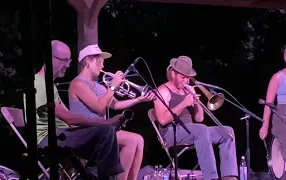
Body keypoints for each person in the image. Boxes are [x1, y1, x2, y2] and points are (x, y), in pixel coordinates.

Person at [26, 40, 124, 179]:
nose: (68, 65)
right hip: (48, 139)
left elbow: (69, 119)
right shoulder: (38, 83)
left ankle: (92, 176)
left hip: (61, 134)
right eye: (64, 60)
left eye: (69, 60)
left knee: (105, 134)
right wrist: (106, 123)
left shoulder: (49, 85)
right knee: (106, 131)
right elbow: (69, 118)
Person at [68, 44, 156, 180]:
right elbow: (99, 107)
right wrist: (113, 86)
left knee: (139, 139)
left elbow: (116, 104)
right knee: (131, 141)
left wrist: (140, 99)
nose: (102, 66)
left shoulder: (99, 86)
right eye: (98, 61)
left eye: (102, 62)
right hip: (84, 135)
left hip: (101, 132)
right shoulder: (78, 84)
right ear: (86, 62)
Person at [153, 56, 238, 180]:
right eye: (183, 77)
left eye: (188, 78)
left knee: (227, 132)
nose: (186, 82)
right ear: (173, 74)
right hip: (170, 133)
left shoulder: (188, 90)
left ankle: (229, 176)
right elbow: (162, 120)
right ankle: (211, 177)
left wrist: (197, 102)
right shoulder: (162, 91)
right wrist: (184, 103)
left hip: (193, 131)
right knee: (201, 130)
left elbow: (199, 119)